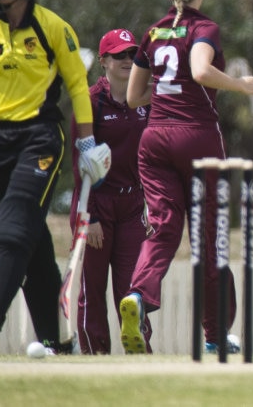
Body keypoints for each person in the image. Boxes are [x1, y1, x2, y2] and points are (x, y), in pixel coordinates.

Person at [0, 0, 109, 355]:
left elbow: (78, 86)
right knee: (32, 241)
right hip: (1, 140)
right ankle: (57, 342)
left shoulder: (52, 27)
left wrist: (87, 142)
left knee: (11, 227)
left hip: (42, 137)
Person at [118, 0, 253, 355]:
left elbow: (132, 97)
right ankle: (214, 335)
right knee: (209, 239)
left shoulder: (153, 33)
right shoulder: (204, 27)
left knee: (163, 227)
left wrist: (165, 94)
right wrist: (241, 86)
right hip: (197, 138)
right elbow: (199, 71)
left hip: (155, 137)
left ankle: (139, 295)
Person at [69, 28, 152, 354]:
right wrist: (89, 218)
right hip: (95, 203)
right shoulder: (89, 102)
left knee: (132, 289)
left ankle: (141, 353)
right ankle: (95, 356)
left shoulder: (147, 99)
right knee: (92, 290)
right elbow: (80, 162)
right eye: (119, 55)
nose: (128, 61)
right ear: (103, 61)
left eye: (133, 54)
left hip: (132, 204)